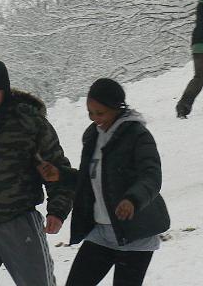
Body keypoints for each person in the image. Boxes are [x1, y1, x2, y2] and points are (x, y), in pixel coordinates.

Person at [42, 78, 170, 286]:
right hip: (101, 233)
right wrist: (61, 175)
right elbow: (90, 180)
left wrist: (132, 200)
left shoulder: (138, 135)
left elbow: (151, 176)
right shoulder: (93, 136)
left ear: (117, 108)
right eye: (90, 113)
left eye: (100, 113)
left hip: (134, 234)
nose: (95, 119)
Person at [0, 59, 74, 286]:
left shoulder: (29, 122)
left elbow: (55, 168)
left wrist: (57, 210)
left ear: (6, 90)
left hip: (19, 222)